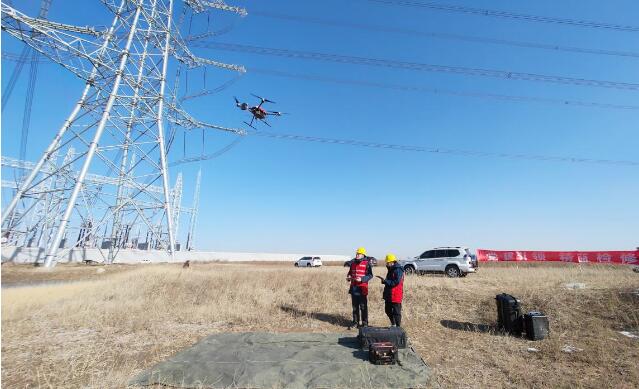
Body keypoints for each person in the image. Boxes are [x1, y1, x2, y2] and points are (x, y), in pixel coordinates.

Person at [347, 247, 373, 329]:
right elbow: (350, 272)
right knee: (355, 307)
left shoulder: (367, 263)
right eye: (356, 254)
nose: (357, 255)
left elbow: (370, 275)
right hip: (354, 288)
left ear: (363, 255)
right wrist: (349, 276)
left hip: (362, 288)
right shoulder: (353, 263)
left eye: (359, 254)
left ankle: (365, 324)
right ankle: (355, 323)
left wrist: (362, 279)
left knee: (363, 307)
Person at [378, 253, 404, 327]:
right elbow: (390, 281)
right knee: (387, 310)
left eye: (387, 262)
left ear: (392, 262)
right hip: (389, 294)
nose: (386, 263)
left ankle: (398, 328)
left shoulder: (398, 270)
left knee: (397, 312)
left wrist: (386, 281)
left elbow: (396, 282)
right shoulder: (390, 269)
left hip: (396, 295)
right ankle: (393, 324)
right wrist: (384, 281)